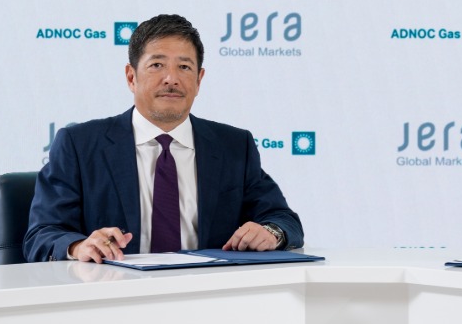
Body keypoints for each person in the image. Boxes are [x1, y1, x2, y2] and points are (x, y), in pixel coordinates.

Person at [24, 14, 303, 263]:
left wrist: (270, 233)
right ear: (131, 77)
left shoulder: (233, 146)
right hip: (113, 299)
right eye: (157, 65)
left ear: (199, 80)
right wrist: (78, 245)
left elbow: (284, 220)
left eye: (184, 67)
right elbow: (42, 234)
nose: (171, 78)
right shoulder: (79, 144)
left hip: (210, 299)